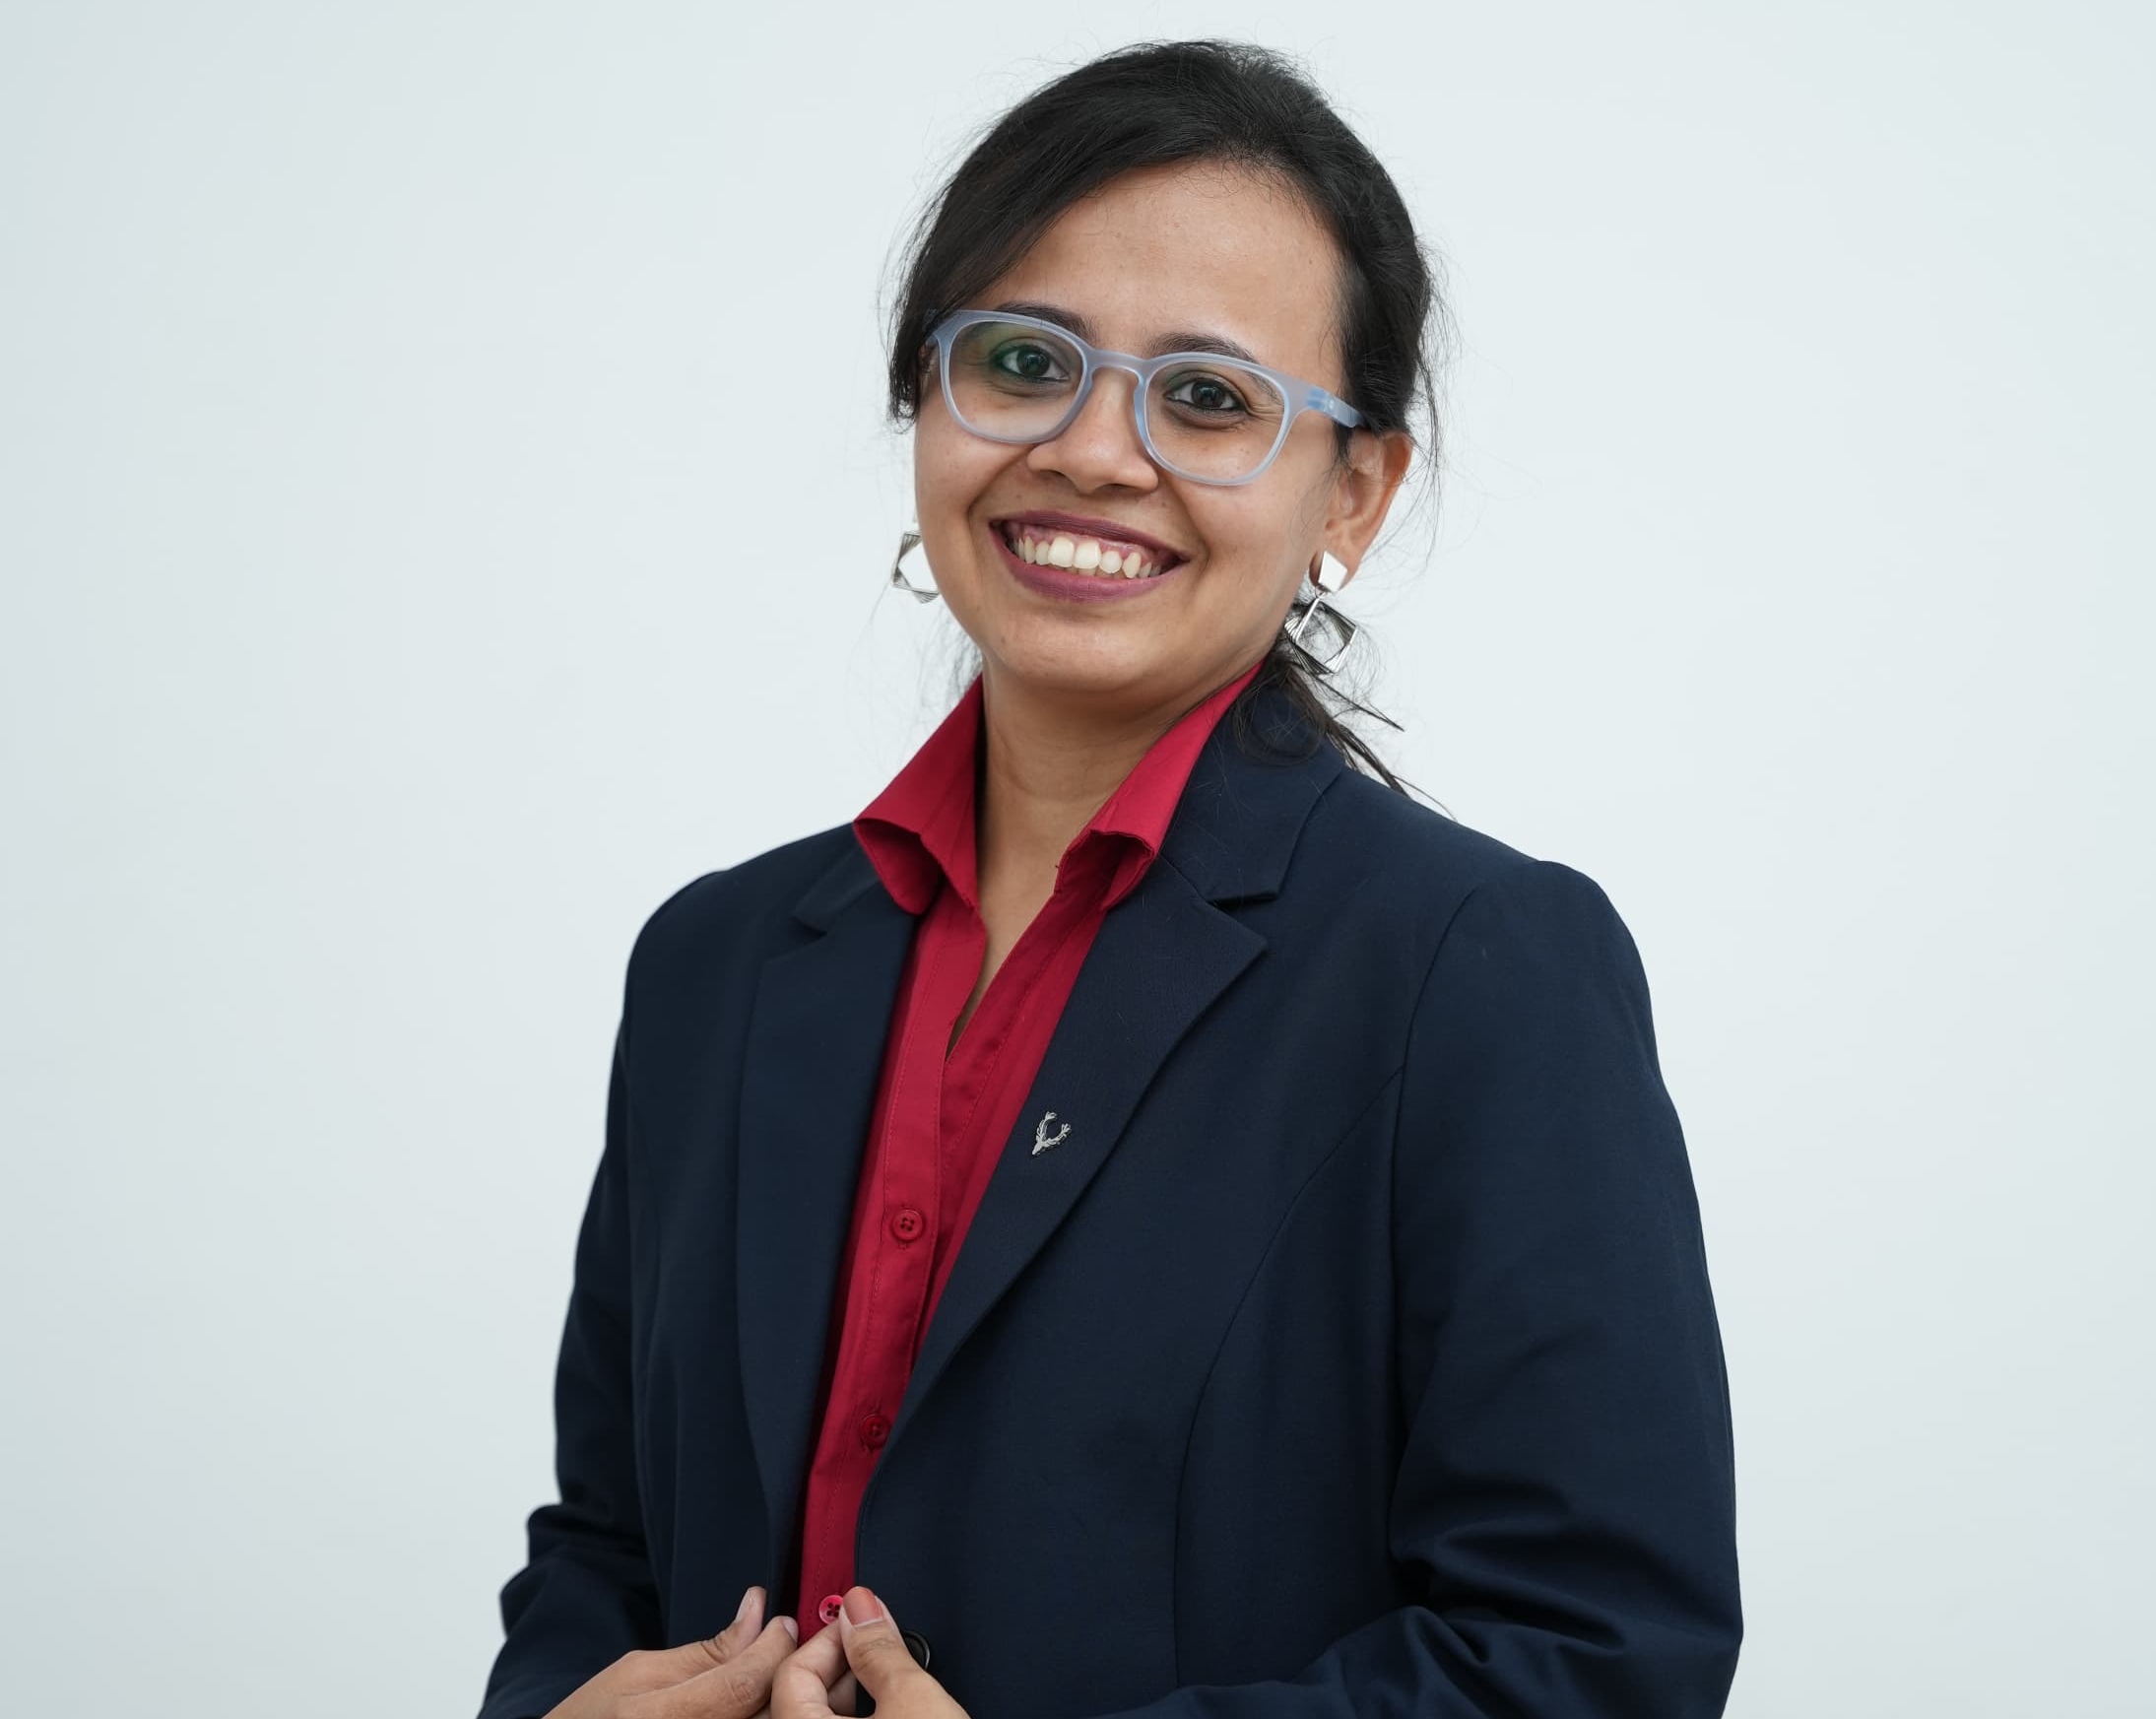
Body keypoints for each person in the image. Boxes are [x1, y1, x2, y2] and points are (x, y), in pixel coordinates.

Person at [478, 37, 1739, 1719]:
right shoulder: (716, 961)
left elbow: (1592, 1654)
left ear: (1355, 492)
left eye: (1208, 398)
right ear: (925, 400)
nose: (1090, 451)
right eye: (1021, 362)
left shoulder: (1477, 968)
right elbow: (607, 1550)